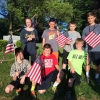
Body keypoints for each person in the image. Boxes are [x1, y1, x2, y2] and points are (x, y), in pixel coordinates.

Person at [82, 12, 100, 84]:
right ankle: (87, 77)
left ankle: (96, 77)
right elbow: (83, 40)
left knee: (96, 65)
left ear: (94, 18)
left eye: (91, 18)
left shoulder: (98, 27)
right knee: (87, 63)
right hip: (88, 49)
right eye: (88, 18)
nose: (90, 20)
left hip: (97, 49)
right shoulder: (85, 29)